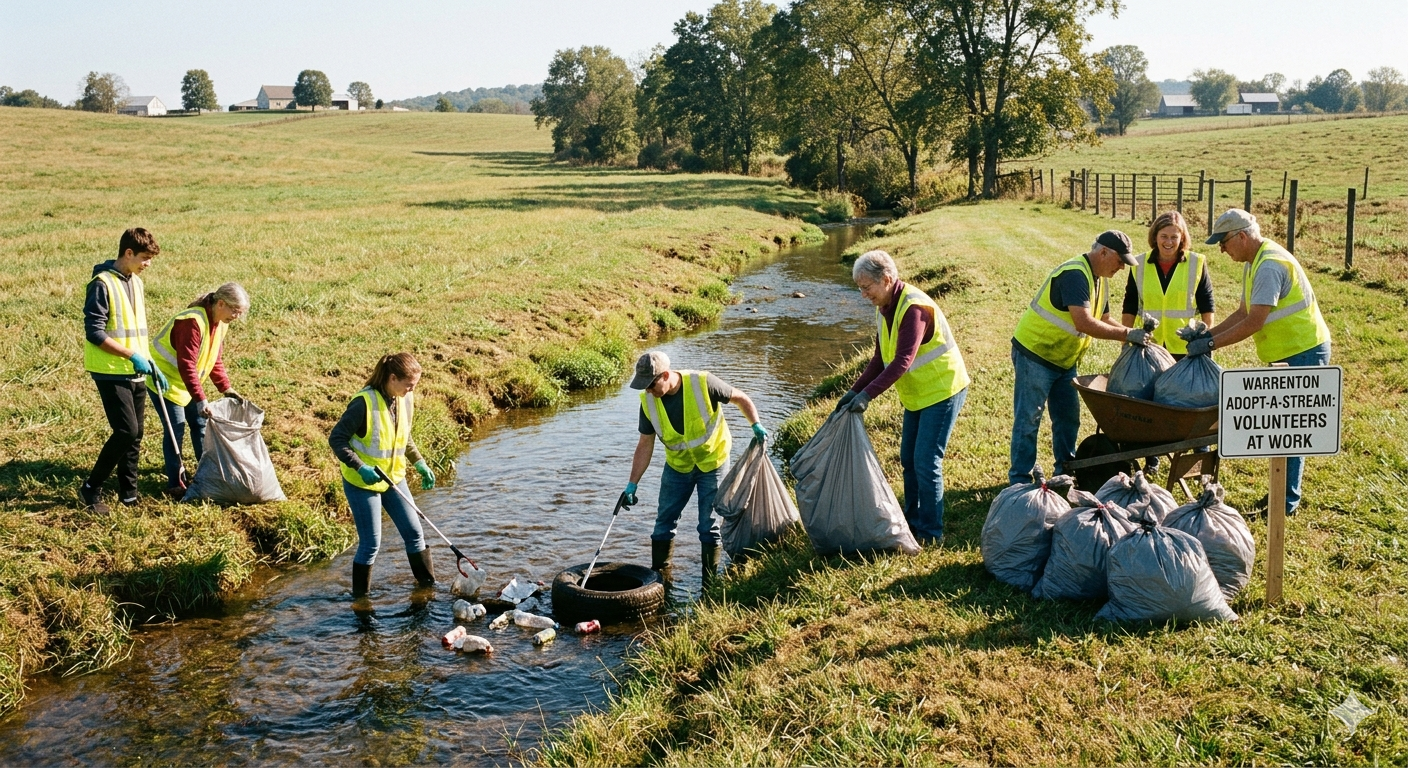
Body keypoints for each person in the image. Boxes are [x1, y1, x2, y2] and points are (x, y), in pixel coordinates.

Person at [1191, 208, 1333, 516]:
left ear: (1241, 236)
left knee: (1291, 429)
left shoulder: (1269, 265)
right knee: (1283, 427)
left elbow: (1254, 322)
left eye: (1224, 242)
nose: (1221, 249)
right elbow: (1242, 312)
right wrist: (1205, 335)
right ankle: (1281, 498)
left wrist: (1210, 344)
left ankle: (1284, 505)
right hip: (1286, 352)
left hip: (1303, 351)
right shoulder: (1254, 262)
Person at [835, 250, 970, 545]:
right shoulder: (883, 305)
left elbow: (902, 361)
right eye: (859, 288)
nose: (862, 294)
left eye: (866, 287)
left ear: (886, 279)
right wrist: (854, 391)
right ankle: (911, 521)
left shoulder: (914, 308)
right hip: (919, 395)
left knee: (926, 461)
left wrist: (867, 396)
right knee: (908, 459)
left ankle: (931, 533)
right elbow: (880, 359)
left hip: (943, 389)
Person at [1009, 230, 1145, 485]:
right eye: (1120, 261)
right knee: (1029, 418)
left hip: (1063, 359)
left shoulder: (1099, 279)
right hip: (1036, 353)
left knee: (1068, 418)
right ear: (1103, 252)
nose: (1121, 267)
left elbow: (1104, 319)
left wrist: (1132, 335)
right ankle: (1019, 480)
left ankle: (1064, 471)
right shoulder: (1074, 274)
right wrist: (1127, 334)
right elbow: (1084, 322)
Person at [621, 351, 766, 584]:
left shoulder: (702, 383)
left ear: (666, 375)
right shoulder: (648, 402)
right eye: (644, 386)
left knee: (708, 527)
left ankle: (709, 585)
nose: (648, 390)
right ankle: (660, 581)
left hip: (712, 462)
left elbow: (740, 398)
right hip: (678, 467)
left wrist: (755, 424)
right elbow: (644, 445)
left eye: (651, 385)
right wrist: (632, 484)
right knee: (663, 525)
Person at [329, 352, 439, 599]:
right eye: (409, 385)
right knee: (371, 545)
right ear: (392, 378)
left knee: (415, 534)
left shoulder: (404, 399)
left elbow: (404, 437)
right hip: (362, 482)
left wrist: (419, 463)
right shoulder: (362, 404)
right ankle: (361, 602)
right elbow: (336, 439)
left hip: (393, 479)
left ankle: (428, 591)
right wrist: (360, 467)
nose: (411, 390)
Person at [79, 228, 168, 515]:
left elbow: (135, 330)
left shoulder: (136, 282)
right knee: (126, 430)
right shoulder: (101, 283)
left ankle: (129, 494)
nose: (148, 264)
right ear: (127, 253)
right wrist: (132, 356)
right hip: (110, 369)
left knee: (137, 433)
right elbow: (94, 332)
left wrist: (149, 361)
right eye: (144, 258)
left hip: (136, 368)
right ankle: (91, 488)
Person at [148, 283, 250, 498]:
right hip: (166, 381)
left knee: (200, 423)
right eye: (234, 310)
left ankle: (207, 471)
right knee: (176, 429)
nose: (236, 316)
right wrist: (201, 398)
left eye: (239, 313)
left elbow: (215, 360)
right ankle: (175, 483)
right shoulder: (192, 322)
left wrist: (226, 388)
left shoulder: (221, 322)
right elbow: (186, 364)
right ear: (220, 303)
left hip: (187, 383)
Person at [1121, 210, 1214, 358]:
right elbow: (1130, 306)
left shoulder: (1196, 263)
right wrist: (1125, 342)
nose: (1168, 242)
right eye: (1163, 236)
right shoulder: (1139, 264)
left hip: (1184, 346)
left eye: (1174, 237)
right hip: (1150, 344)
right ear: (1155, 236)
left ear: (1182, 238)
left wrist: (1205, 341)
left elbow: (1207, 304)